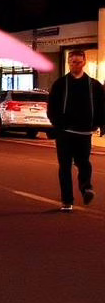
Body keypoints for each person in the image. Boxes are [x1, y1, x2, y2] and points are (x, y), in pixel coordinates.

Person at [46, 50, 105, 211]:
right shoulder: (60, 84)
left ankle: (86, 188)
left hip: (84, 133)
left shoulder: (94, 85)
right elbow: (52, 107)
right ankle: (67, 201)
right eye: (72, 62)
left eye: (78, 62)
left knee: (83, 163)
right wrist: (57, 124)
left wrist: (100, 124)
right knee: (64, 166)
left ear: (84, 62)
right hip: (64, 132)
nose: (74, 65)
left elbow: (102, 107)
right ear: (68, 63)